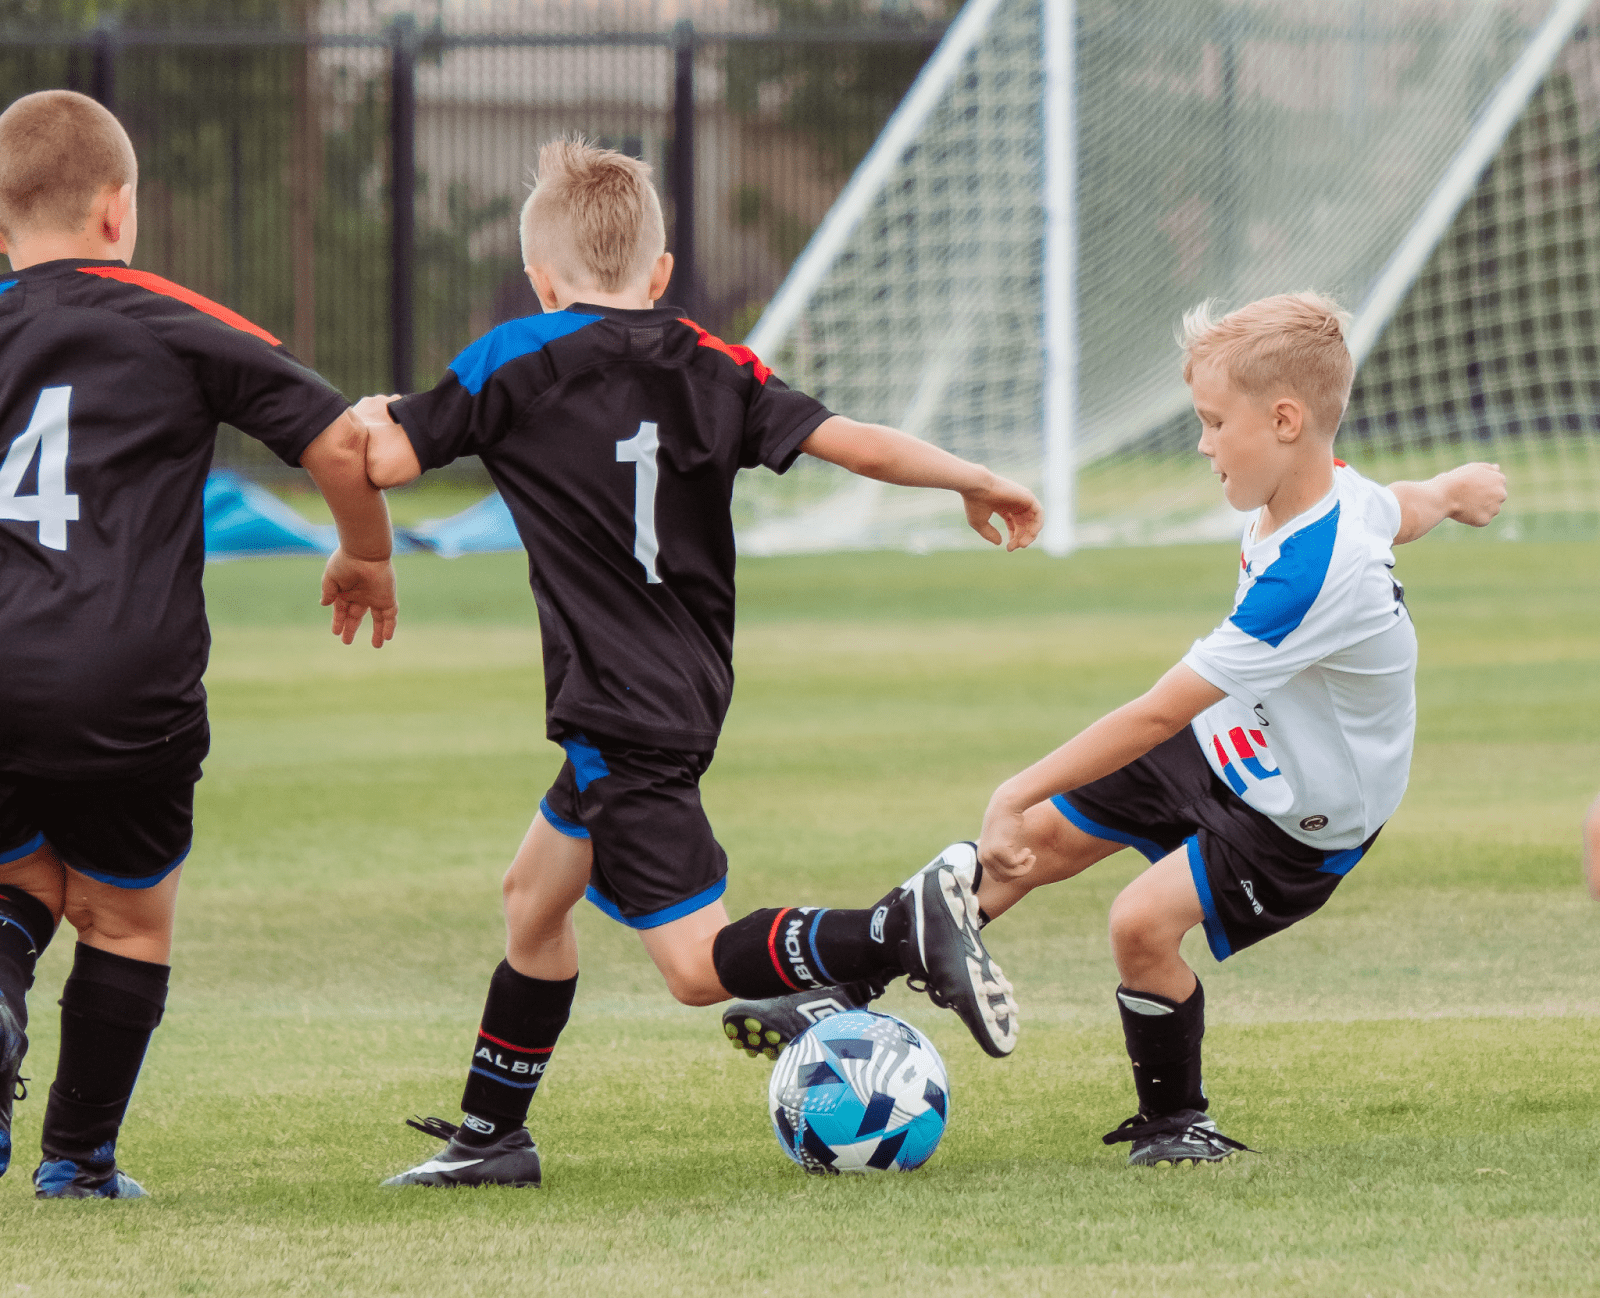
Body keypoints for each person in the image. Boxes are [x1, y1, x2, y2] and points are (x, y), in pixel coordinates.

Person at [360, 139, 1039, 1189]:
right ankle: (493, 1135)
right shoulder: (714, 362)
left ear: (541, 281)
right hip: (681, 687)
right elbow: (846, 438)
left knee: (691, 966)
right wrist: (974, 476)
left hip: (612, 705)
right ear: (662, 273)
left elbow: (389, 457)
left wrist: (364, 420)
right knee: (532, 899)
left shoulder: (514, 355)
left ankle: (896, 926)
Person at [722, 291, 1509, 1167]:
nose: (1203, 443)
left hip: (1303, 816)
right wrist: (1453, 489)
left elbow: (1156, 712)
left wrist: (1014, 788)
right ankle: (846, 986)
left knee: (1138, 923)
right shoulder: (1330, 497)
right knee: (1038, 845)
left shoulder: (1316, 574)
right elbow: (1395, 506)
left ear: (1286, 421)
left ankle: (1179, 1123)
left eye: (1214, 423)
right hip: (1234, 735)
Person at [0, 90, 398, 1199]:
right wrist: (365, 553)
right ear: (120, 210)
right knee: (125, 913)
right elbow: (337, 442)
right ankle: (76, 1161)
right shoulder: (172, 316)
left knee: (17, 876)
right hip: (127, 675)